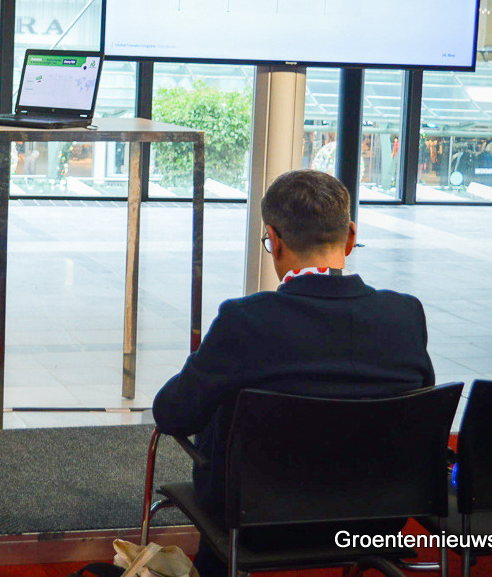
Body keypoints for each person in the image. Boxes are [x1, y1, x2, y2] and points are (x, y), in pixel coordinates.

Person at [152, 169, 434, 571]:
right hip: (378, 519)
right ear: (350, 237)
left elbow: (172, 414)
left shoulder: (246, 320)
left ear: (275, 240)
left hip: (257, 522)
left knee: (222, 411)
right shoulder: (405, 314)